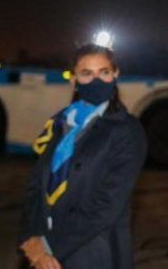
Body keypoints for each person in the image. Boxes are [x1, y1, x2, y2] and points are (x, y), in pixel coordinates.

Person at [18, 44, 147, 269]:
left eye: (104, 72)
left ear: (115, 75)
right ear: (73, 80)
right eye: (87, 74)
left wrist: (50, 250)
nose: (96, 81)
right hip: (43, 251)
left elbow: (107, 205)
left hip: (92, 253)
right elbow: (36, 186)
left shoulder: (127, 130)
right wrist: (31, 237)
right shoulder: (60, 124)